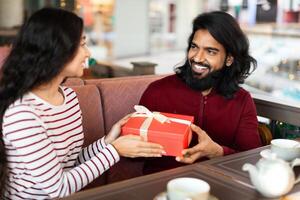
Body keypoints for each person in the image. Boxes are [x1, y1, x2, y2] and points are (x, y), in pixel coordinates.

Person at [0, 8, 164, 199]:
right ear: (56, 50)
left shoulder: (68, 97)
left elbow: (72, 162)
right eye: (82, 45)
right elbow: (58, 188)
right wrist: (116, 150)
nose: (88, 53)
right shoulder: (22, 114)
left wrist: (108, 141)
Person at [139, 11, 262, 174]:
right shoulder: (157, 91)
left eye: (210, 51)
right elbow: (130, 153)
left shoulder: (242, 100)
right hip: (160, 186)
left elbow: (251, 160)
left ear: (229, 59)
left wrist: (218, 152)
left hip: (218, 187)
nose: (197, 57)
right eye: (194, 47)